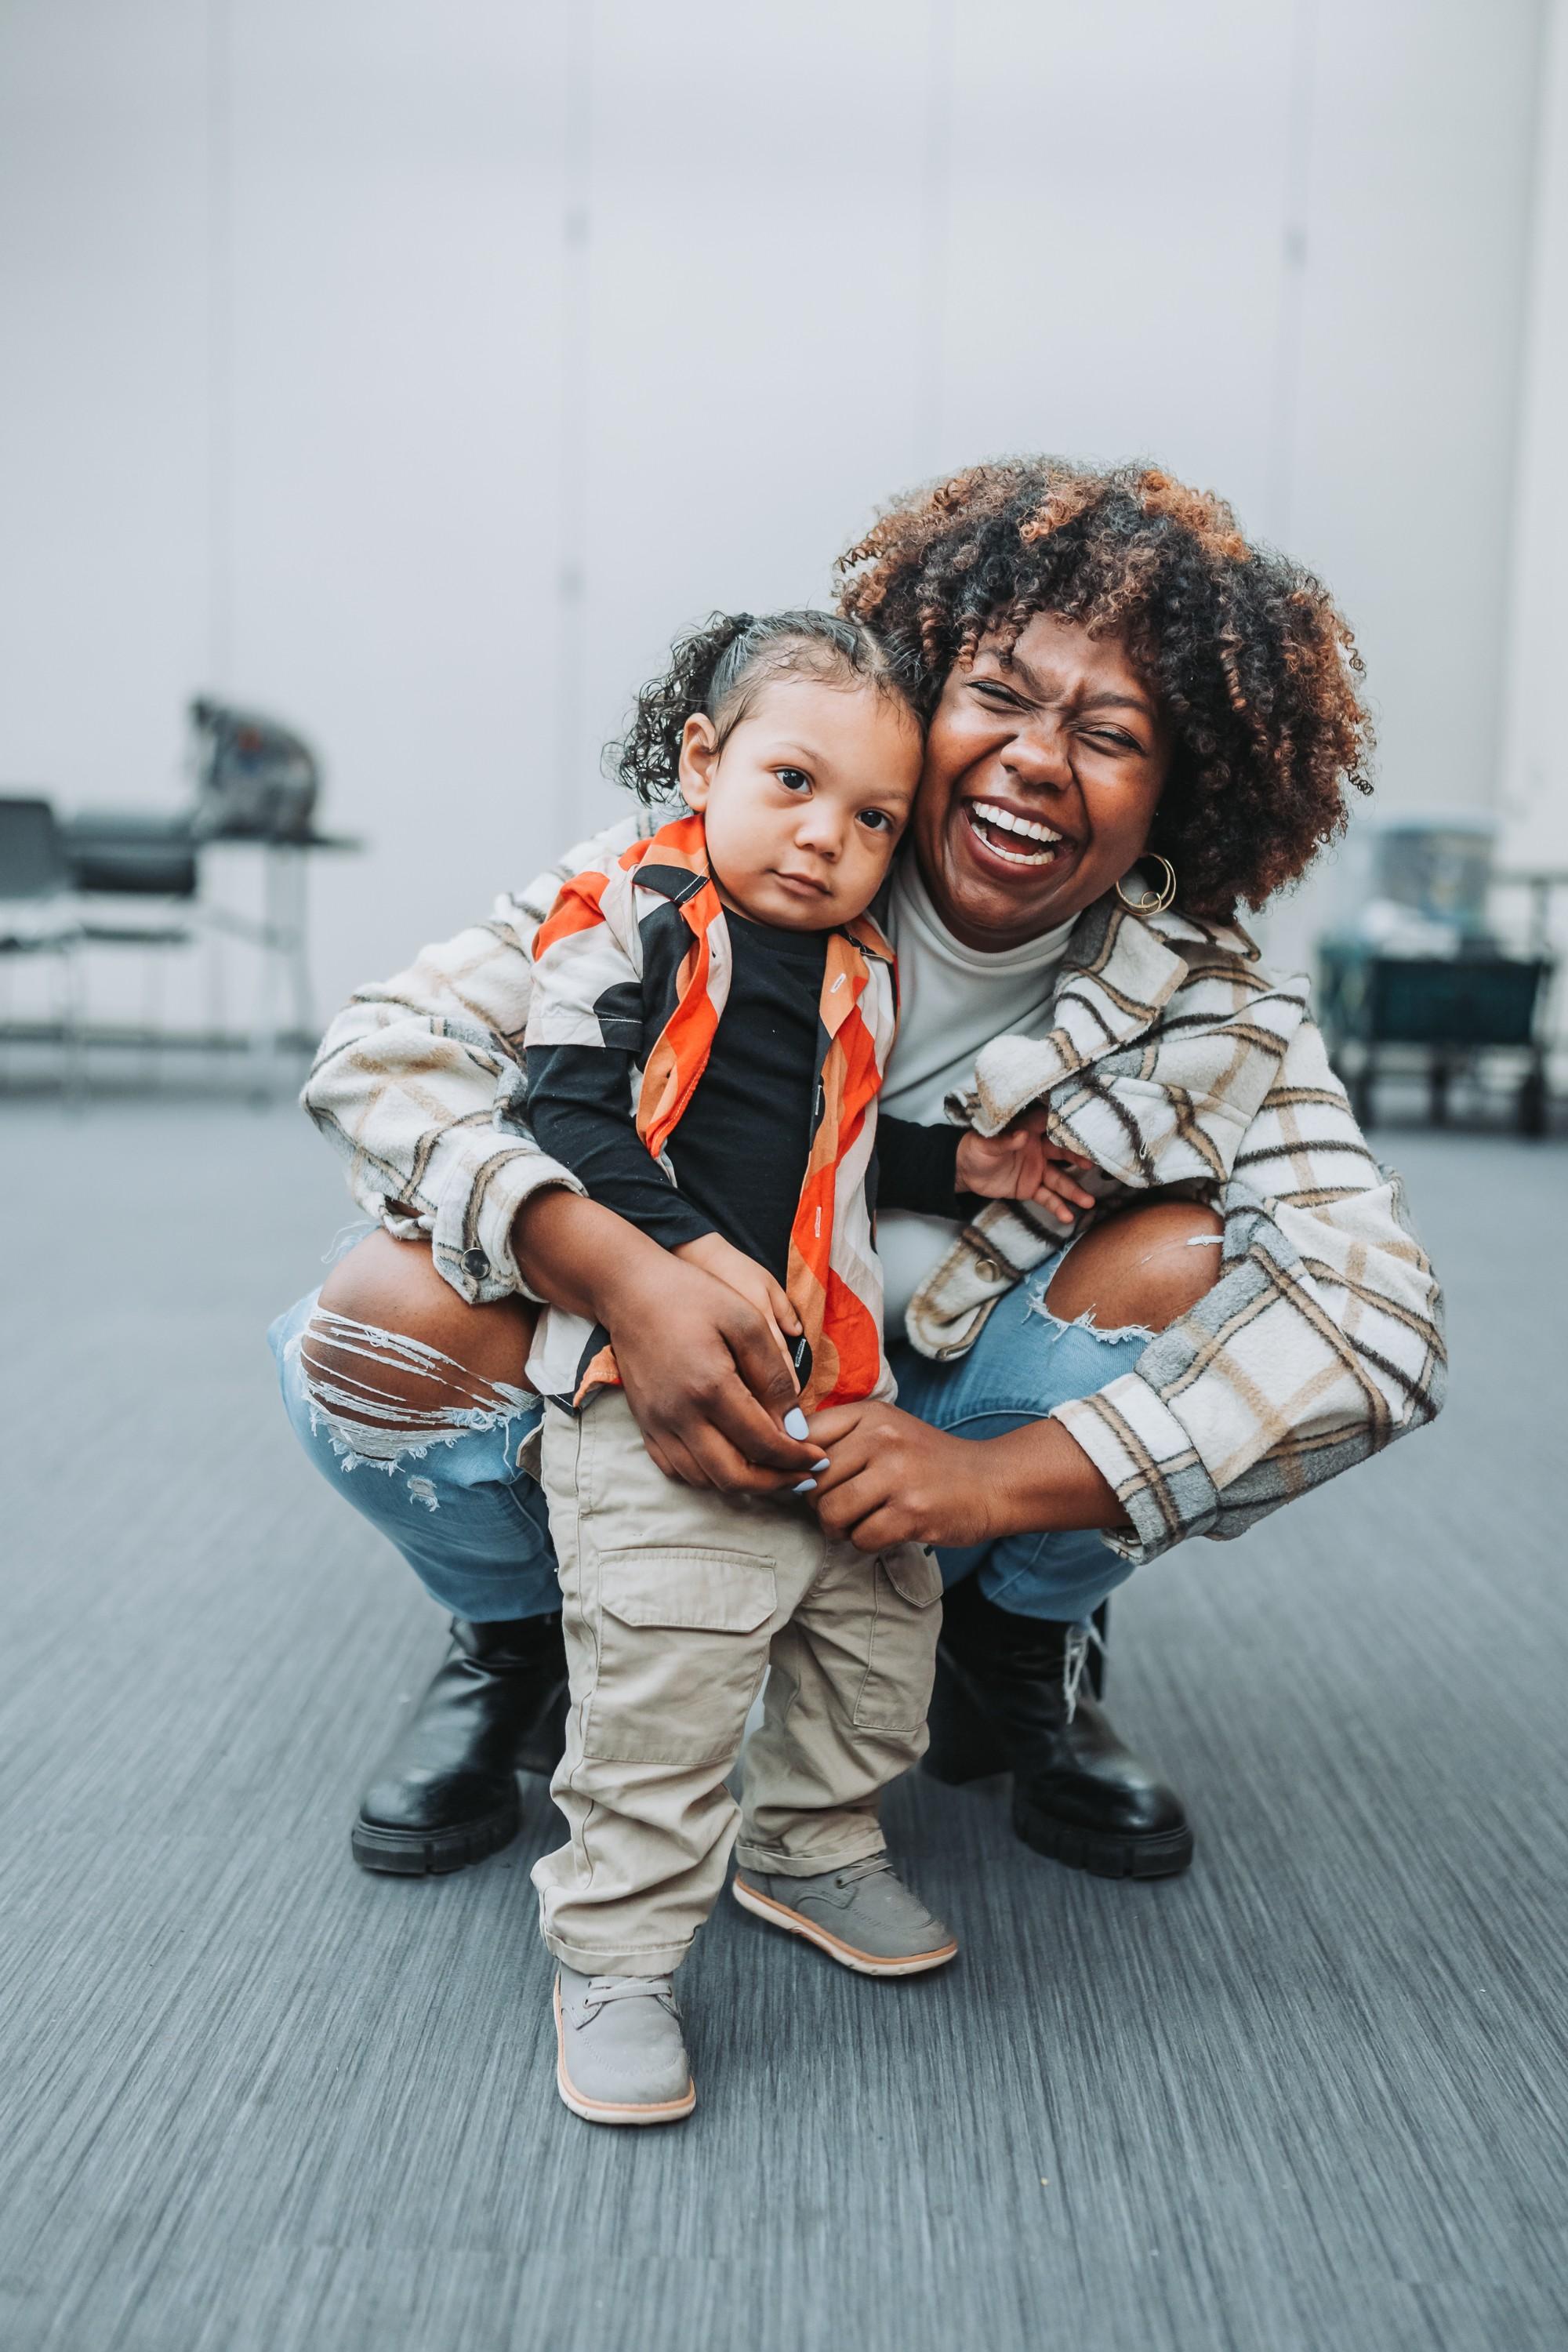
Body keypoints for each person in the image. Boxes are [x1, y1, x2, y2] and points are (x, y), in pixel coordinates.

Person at [271, 457, 1445, 1923]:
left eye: (1110, 734)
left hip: (929, 1415)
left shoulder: (1217, 1015)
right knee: (382, 1310)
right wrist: (617, 1272)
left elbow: (1378, 1325)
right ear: (920, 698)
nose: (1034, 757)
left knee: (1179, 1259)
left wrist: (991, 1484)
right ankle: (517, 1642)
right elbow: (387, 1049)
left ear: (1178, 793)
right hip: (655, 1368)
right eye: (1000, 696)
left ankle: (1017, 1646)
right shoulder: (729, 857)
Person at [522, 608, 1097, 2123]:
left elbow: (828, 1146)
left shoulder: (853, 967)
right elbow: (563, 1118)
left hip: (833, 1387)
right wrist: (671, 1256)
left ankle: (808, 1840)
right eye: (790, 784)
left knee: (883, 1628)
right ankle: (619, 1960)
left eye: (871, 819)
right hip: (646, 1399)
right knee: (673, 1667)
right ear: (705, 759)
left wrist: (956, 1161)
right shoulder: (621, 914)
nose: (823, 837)